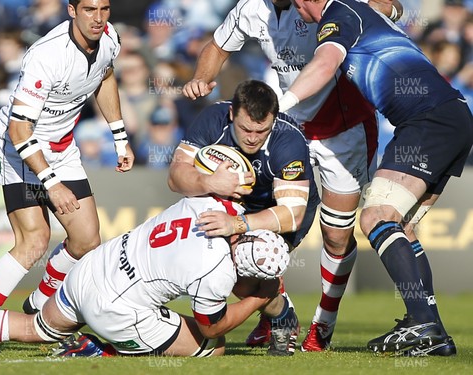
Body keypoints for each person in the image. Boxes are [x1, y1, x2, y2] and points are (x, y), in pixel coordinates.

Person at [181, 0, 402, 353]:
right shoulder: (251, 8)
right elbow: (218, 46)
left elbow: (390, 8)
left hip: (343, 129)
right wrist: (201, 78)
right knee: (258, 220)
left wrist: (386, 9)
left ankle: (323, 325)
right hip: (287, 125)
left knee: (335, 235)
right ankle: (277, 314)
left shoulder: (327, 5)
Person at [278, 0, 473, 356]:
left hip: (427, 121)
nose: (295, 12)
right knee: (404, 227)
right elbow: (390, 7)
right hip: (453, 116)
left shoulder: (338, 15)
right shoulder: (357, 9)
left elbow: (324, 63)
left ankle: (422, 322)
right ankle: (435, 335)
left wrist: (281, 102)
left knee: (376, 216)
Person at [0, 194, 289, 358]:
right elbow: (211, 324)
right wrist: (255, 300)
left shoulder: (205, 205)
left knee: (35, 327)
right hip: (116, 308)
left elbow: (186, 182)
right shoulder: (217, 271)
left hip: (94, 267)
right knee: (211, 348)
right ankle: (97, 348)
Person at [0, 0, 134, 336]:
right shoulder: (46, 55)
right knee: (34, 241)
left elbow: (104, 76)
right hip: (20, 147)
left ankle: (40, 300)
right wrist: (51, 183)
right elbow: (19, 130)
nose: (98, 18)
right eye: (89, 9)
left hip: (62, 148)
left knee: (87, 240)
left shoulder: (110, 39)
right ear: (71, 10)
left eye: (104, 9)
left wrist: (120, 137)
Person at [169, 80, 320, 356]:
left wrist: (237, 225)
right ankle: (279, 312)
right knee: (223, 269)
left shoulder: (288, 140)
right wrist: (211, 182)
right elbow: (176, 176)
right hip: (229, 199)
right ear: (231, 115)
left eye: (261, 131)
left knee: (250, 259)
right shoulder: (213, 119)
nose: (252, 137)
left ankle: (280, 316)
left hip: (279, 207)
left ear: (273, 121)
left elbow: (291, 214)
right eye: (245, 129)